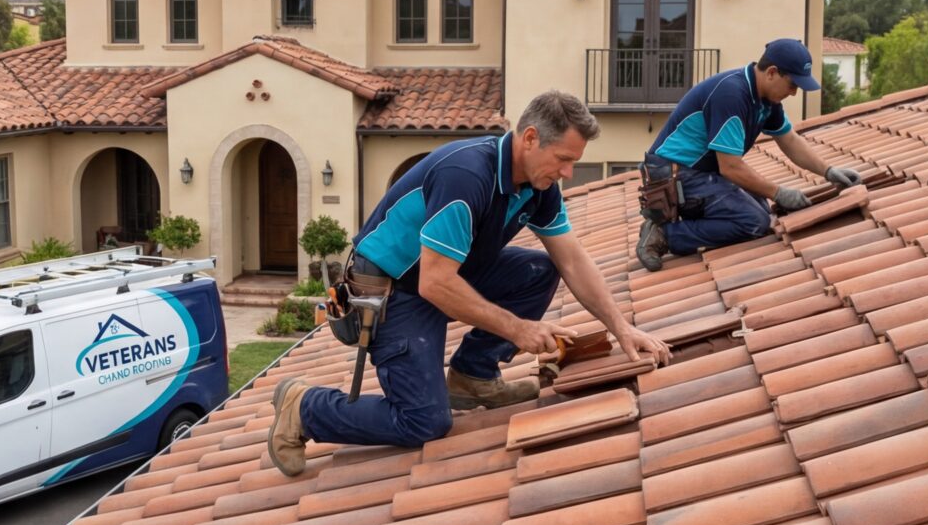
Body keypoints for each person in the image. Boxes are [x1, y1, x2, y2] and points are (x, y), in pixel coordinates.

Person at [269, 91, 671, 476]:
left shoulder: (538, 185)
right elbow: (435, 285)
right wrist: (519, 329)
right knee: (423, 421)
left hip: (441, 275)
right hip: (394, 292)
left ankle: (472, 377)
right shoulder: (466, 176)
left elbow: (571, 259)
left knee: (541, 270)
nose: (567, 172)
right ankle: (305, 407)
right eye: (563, 159)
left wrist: (622, 329)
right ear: (530, 138)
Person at [631, 38, 863, 270]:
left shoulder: (765, 101)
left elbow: (790, 140)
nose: (793, 93)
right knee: (754, 221)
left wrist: (828, 171)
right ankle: (664, 235)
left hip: (701, 173)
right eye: (792, 84)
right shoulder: (732, 95)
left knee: (763, 211)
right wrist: (779, 192)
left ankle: (691, 224)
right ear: (772, 73)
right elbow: (730, 167)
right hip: (677, 174)